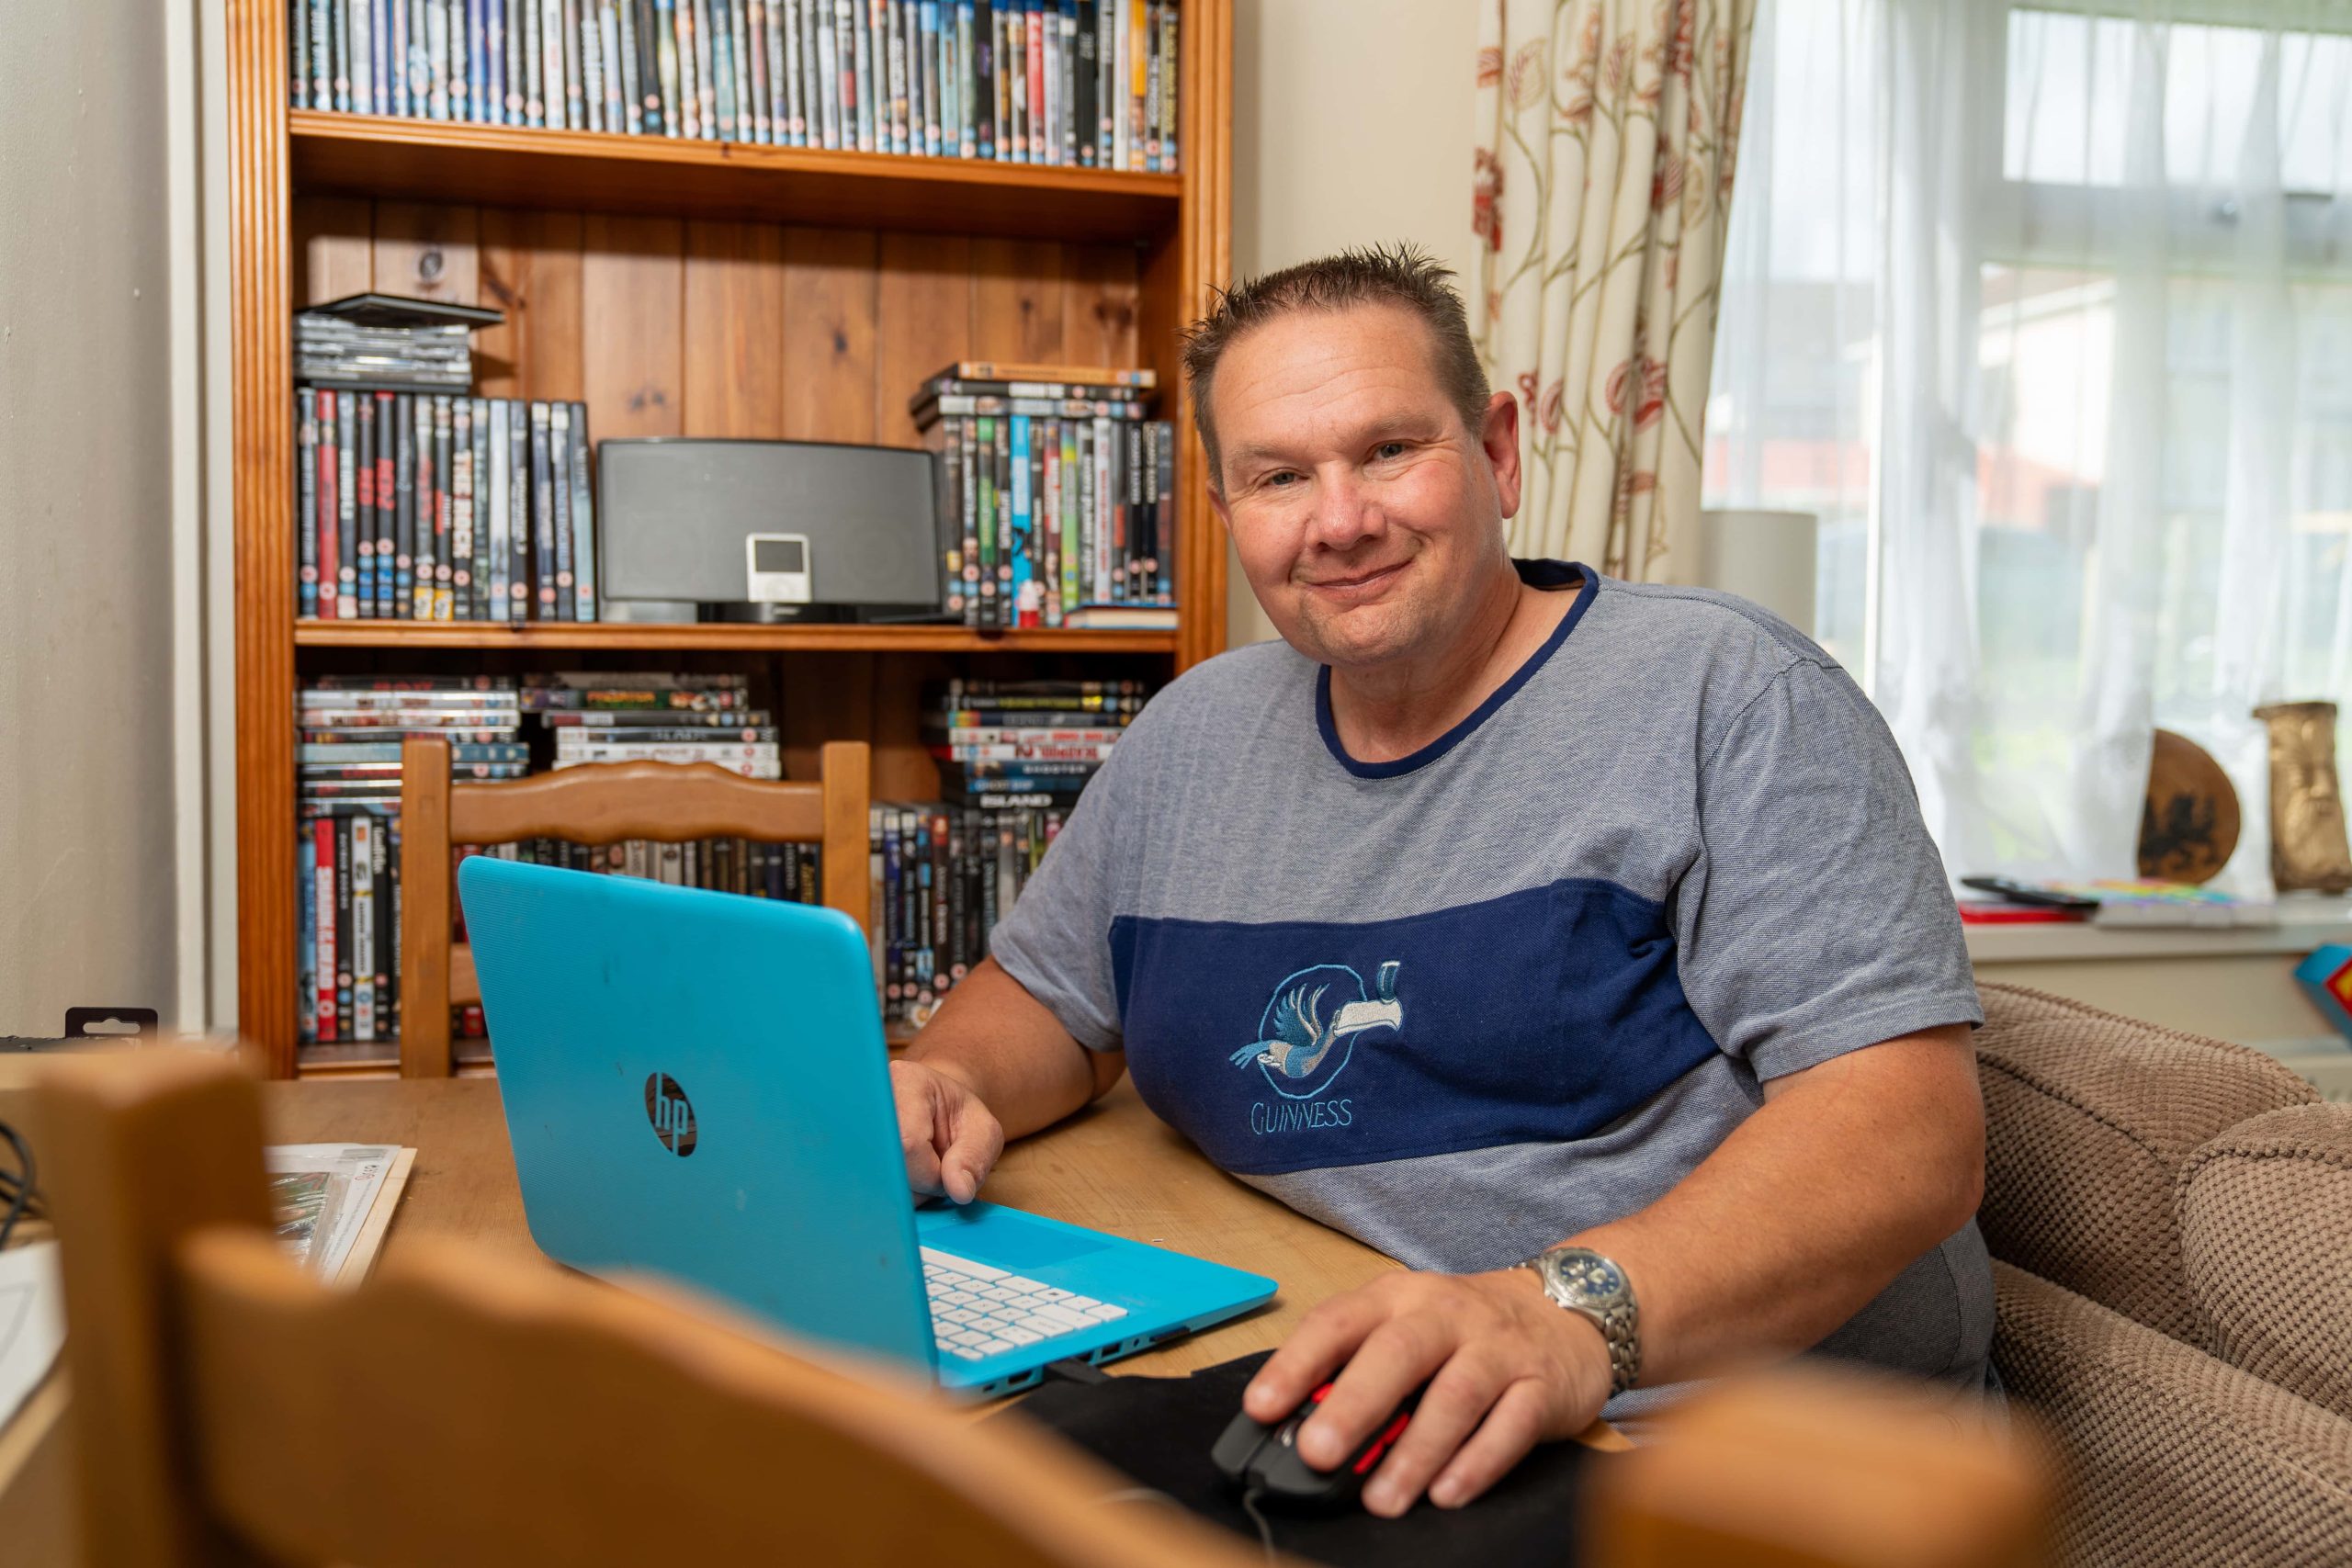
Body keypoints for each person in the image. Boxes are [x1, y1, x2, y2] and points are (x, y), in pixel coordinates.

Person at [891, 244, 1992, 1516]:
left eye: (1388, 451)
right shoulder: (1192, 735)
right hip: (1330, 1369)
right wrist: (952, 1078)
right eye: (1279, 477)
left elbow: (1907, 1132)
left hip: (1704, 1449)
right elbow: (1049, 998)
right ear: (1226, 509)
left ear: (1500, 449)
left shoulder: (1731, 694)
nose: (1341, 518)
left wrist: (1564, 1318)